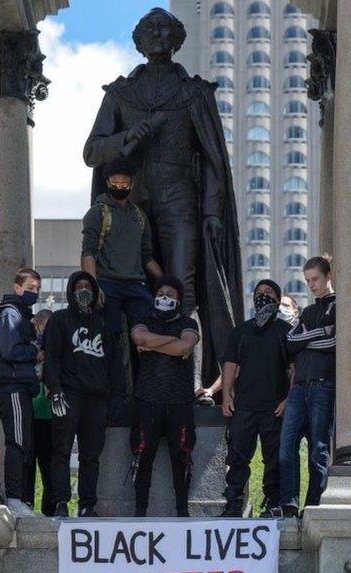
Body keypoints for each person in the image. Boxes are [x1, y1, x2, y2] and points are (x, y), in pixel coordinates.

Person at [84, 8, 243, 388]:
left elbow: (212, 160)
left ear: (177, 39)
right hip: (132, 203)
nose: (157, 33)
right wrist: (128, 136)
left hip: (181, 198)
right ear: (138, 41)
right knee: (136, 284)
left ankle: (190, 383)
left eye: (165, 28)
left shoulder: (194, 92)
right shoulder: (121, 94)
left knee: (183, 285)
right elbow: (92, 152)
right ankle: (135, 381)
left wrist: (213, 211)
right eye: (149, 28)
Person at [44, 271, 125, 517]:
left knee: (91, 456)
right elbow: (51, 359)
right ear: (71, 290)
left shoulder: (103, 324)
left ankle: (87, 505)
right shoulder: (59, 320)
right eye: (78, 286)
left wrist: (117, 397)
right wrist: (55, 390)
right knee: (61, 451)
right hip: (69, 395)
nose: (83, 291)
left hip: (97, 399)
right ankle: (60, 503)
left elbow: (115, 365)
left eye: (87, 287)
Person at [220, 280, 292, 518]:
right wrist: (226, 396)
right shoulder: (241, 331)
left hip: (274, 407)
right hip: (244, 406)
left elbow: (295, 369)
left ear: (278, 299)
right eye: (259, 293)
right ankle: (233, 504)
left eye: (269, 293)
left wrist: (288, 400)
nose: (263, 296)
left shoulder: (285, 331)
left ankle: (272, 503)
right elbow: (230, 365)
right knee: (237, 456)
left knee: (273, 458)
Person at [129, 277, 199, 517]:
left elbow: (185, 347)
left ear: (178, 300)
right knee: (142, 455)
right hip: (147, 399)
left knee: (181, 457)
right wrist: (173, 341)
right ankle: (140, 512)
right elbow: (139, 338)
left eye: (170, 293)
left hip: (179, 401)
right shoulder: (143, 321)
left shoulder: (189, 322)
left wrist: (154, 344)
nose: (164, 297)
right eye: (161, 293)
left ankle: (182, 511)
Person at [278, 257, 336, 518]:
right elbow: (289, 342)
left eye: (315, 279)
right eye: (308, 280)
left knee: (318, 448)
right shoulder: (309, 311)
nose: (311, 285)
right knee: (286, 446)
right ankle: (289, 503)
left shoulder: (338, 306)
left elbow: (334, 342)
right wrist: (317, 334)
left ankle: (313, 505)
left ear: (328, 276)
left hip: (324, 386)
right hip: (299, 388)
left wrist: (304, 339)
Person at [81, 158, 163, 339]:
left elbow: (147, 257)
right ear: (107, 182)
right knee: (110, 337)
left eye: (124, 183)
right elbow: (88, 253)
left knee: (151, 326)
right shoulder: (97, 213)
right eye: (115, 183)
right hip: (107, 284)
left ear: (132, 183)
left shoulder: (139, 216)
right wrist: (94, 286)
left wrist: (165, 281)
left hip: (136, 286)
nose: (120, 187)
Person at [0, 268, 43, 517]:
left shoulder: (18, 314)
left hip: (18, 386)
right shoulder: (10, 314)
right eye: (31, 288)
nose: (35, 293)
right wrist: (35, 350)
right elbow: (11, 351)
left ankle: (19, 500)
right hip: (11, 386)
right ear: (17, 287)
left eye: (38, 290)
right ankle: (14, 500)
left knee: (24, 444)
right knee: (18, 443)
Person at [23, 309, 55, 515]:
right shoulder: (28, 348)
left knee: (50, 469)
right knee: (27, 466)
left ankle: (50, 511)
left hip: (51, 416)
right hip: (30, 414)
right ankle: (25, 506)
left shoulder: (57, 349)